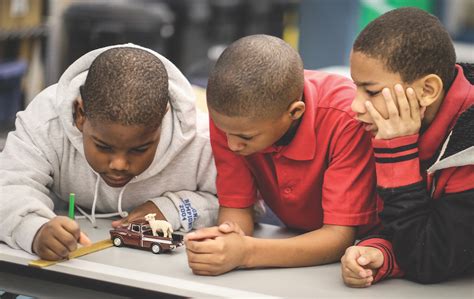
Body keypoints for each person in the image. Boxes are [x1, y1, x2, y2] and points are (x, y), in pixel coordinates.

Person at [0, 45, 219, 261]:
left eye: (139, 149)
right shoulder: (46, 123)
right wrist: (33, 229)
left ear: (163, 117)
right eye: (104, 146)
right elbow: (9, 186)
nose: (119, 164)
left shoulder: (202, 139)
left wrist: (173, 209)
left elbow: (238, 204)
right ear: (80, 114)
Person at [185, 34, 379, 276]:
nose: (233, 145)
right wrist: (225, 241)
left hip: (367, 250)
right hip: (292, 237)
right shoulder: (231, 121)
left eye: (246, 138)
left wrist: (245, 253)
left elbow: (339, 237)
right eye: (225, 132)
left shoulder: (347, 119)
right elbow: (237, 207)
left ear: (294, 112)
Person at [340, 7, 474, 287]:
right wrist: (381, 252)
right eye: (355, 87)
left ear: (427, 91)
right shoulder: (397, 123)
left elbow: (429, 258)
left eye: (372, 91)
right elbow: (419, 234)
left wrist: (397, 154)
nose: (354, 106)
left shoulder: (467, 150)